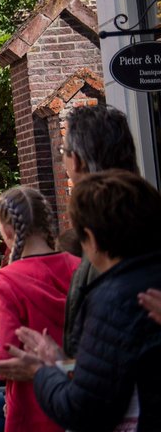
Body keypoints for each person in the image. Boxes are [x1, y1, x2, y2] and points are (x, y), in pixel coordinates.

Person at [0, 170, 161, 432]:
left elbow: (3, 359)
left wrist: (45, 368)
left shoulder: (9, 281)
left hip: (50, 417)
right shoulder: (78, 269)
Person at [0, 185, 79, 432]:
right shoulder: (78, 267)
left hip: (38, 416)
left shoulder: (7, 280)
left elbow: (1, 364)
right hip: (85, 406)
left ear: (8, 230)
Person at [57, 104, 139, 358]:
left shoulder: (100, 237)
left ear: (77, 161)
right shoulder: (145, 211)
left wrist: (47, 369)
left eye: (63, 152)